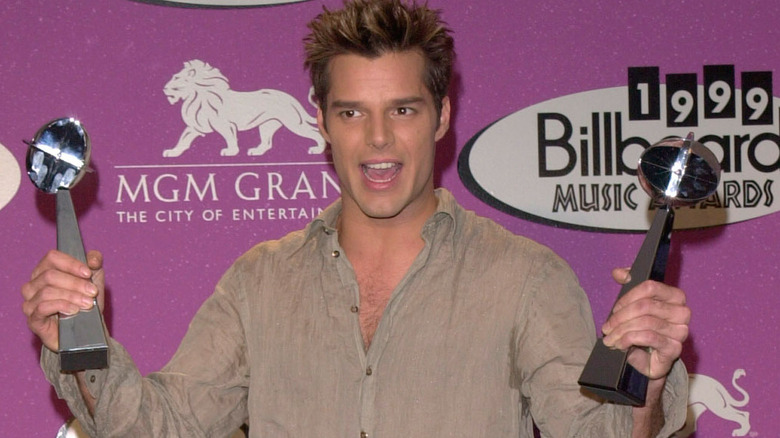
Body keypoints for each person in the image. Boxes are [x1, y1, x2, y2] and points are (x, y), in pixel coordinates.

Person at [21, 0, 690, 436]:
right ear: (320, 123)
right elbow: (162, 426)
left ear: (441, 117)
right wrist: (79, 344)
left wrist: (647, 377)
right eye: (351, 113)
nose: (376, 141)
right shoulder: (260, 282)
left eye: (401, 110)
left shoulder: (523, 278)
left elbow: (590, 432)